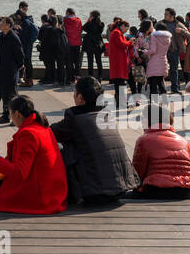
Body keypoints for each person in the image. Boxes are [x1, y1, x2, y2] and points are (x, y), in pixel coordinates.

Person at [50, 77, 139, 206]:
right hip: (121, 187)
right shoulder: (107, 115)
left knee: (65, 147)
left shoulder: (75, 118)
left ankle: (67, 194)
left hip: (95, 192)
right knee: (81, 141)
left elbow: (50, 133)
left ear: (80, 97)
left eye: (74, 93)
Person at [0, 94, 67, 213]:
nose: (10, 117)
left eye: (10, 114)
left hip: (41, 197)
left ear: (17, 114)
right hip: (53, 191)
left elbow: (20, 173)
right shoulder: (41, 126)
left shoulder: (28, 134)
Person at [130, 104, 190, 199]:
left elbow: (137, 173)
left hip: (155, 190)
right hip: (184, 192)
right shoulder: (183, 141)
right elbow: (189, 171)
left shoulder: (144, 140)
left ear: (147, 121)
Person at [138, 19, 170, 98]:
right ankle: (165, 102)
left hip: (154, 63)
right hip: (163, 61)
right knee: (161, 83)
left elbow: (153, 50)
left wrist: (144, 51)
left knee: (153, 85)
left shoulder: (154, 37)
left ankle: (153, 104)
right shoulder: (168, 38)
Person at [82, 10, 105, 80]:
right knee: (99, 61)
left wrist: (88, 20)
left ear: (92, 16)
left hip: (90, 44)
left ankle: (90, 76)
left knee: (90, 61)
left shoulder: (89, 23)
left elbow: (83, 28)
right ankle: (100, 76)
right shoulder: (101, 24)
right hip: (98, 44)